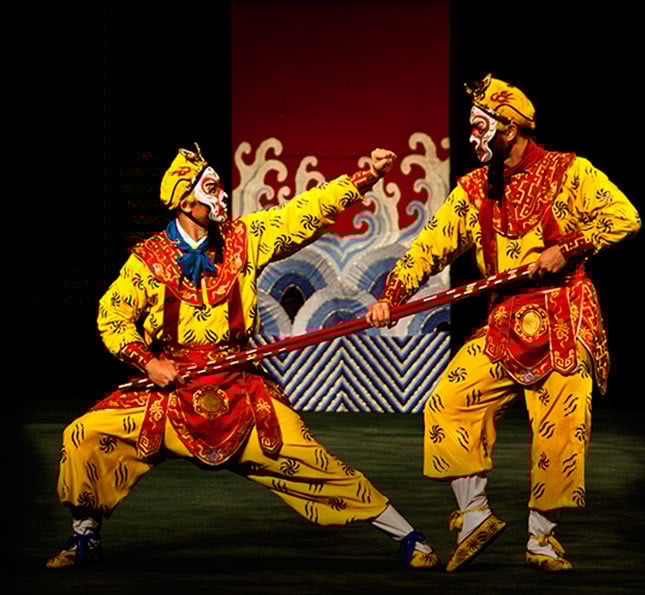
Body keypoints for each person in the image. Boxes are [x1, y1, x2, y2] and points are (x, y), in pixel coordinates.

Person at [48, 145, 439, 570]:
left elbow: (300, 214)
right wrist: (148, 362)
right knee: (84, 435)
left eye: (220, 188)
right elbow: (112, 316)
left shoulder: (244, 238)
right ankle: (84, 537)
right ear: (185, 202)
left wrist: (366, 177)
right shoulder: (150, 259)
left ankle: (408, 537)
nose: (222, 197)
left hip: (240, 388)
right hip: (172, 390)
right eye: (211, 189)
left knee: (312, 459)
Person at [366, 74, 641, 572]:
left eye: (480, 126)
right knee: (448, 403)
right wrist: (391, 295)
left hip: (563, 316)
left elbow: (625, 217)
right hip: (505, 320)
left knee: (561, 428)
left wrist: (568, 248)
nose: (472, 137)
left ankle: (542, 539)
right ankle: (474, 516)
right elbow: (430, 246)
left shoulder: (570, 171)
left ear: (510, 129)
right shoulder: (474, 189)